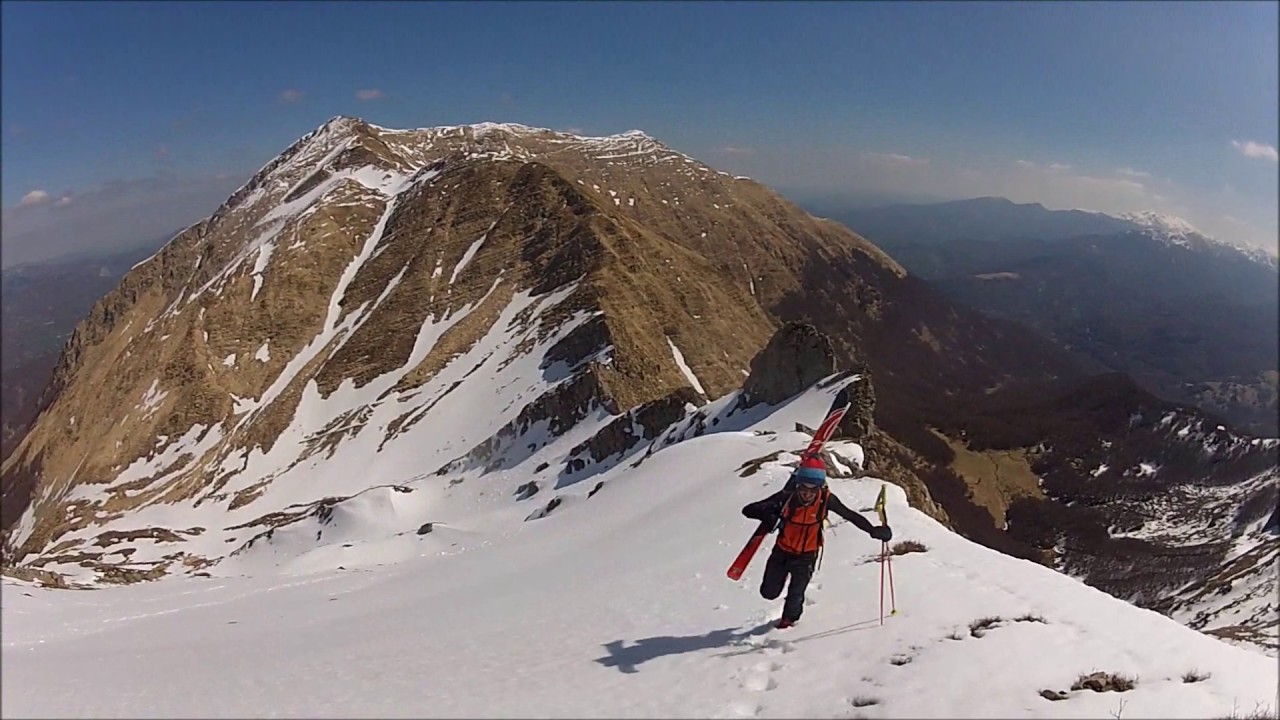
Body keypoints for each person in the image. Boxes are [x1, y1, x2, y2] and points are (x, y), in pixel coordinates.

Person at [741, 454, 892, 629]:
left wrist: (873, 531)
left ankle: (787, 623)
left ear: (820, 488)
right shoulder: (787, 497)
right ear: (798, 486)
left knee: (796, 594)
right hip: (782, 552)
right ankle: (781, 582)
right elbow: (749, 510)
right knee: (768, 593)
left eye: (813, 490)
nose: (807, 494)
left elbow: (850, 515)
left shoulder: (826, 499)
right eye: (803, 489)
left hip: (807, 556)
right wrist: (772, 518)